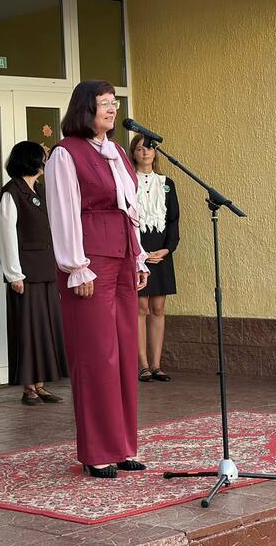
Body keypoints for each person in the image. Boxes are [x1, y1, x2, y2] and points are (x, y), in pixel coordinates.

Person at [44, 80, 149, 479]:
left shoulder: (118, 151)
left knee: (123, 351)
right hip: (90, 263)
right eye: (104, 103)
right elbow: (63, 212)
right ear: (84, 109)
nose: (111, 108)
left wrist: (138, 257)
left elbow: (130, 209)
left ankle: (122, 446)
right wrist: (76, 266)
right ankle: (96, 451)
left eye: (114, 102)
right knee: (96, 356)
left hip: (122, 257)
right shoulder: (65, 153)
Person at [0, 141, 68, 406]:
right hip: (26, 272)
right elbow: (7, 236)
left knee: (45, 327)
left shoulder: (41, 189)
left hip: (46, 268)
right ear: (31, 160)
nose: (45, 161)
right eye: (43, 157)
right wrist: (14, 274)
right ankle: (29, 387)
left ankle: (41, 384)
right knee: (28, 329)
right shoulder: (11, 192)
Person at [129, 135, 180, 383]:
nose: (145, 152)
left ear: (155, 153)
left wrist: (167, 249)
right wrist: (138, 252)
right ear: (133, 153)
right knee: (140, 307)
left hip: (161, 252)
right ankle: (143, 365)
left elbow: (173, 220)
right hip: (138, 252)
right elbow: (126, 219)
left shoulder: (167, 183)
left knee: (158, 307)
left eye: (149, 148)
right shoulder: (128, 181)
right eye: (139, 149)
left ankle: (157, 364)